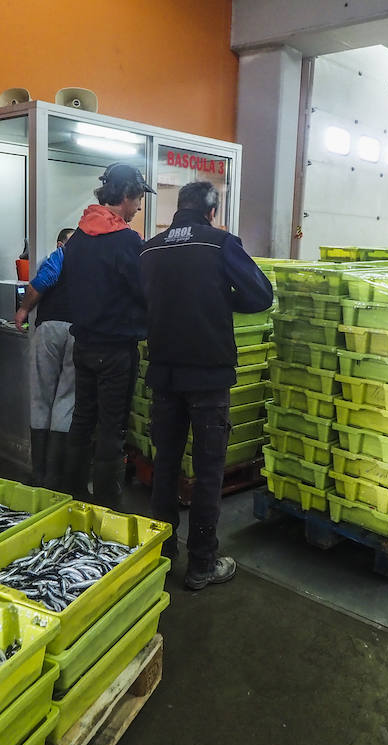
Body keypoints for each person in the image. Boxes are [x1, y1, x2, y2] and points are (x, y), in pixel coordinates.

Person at [142, 182, 274, 589]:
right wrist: (221, 299)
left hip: (164, 373)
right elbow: (261, 294)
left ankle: (162, 552)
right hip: (208, 375)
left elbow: (139, 299)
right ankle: (202, 563)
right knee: (209, 469)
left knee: (165, 463)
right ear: (211, 212)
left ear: (179, 207)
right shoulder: (219, 244)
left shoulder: (149, 248)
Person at [59, 163, 153, 508]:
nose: (139, 207)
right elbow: (144, 289)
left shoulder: (79, 237)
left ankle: (72, 495)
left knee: (82, 418)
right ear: (126, 195)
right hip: (116, 350)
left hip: (83, 345)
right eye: (138, 199)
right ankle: (107, 507)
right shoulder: (126, 240)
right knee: (112, 428)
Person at [15, 227, 77, 487]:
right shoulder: (91, 259)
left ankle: (39, 473)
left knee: (41, 396)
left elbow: (40, 283)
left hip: (50, 326)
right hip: (79, 331)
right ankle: (56, 475)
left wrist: (23, 309)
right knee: (67, 398)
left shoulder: (60, 255)